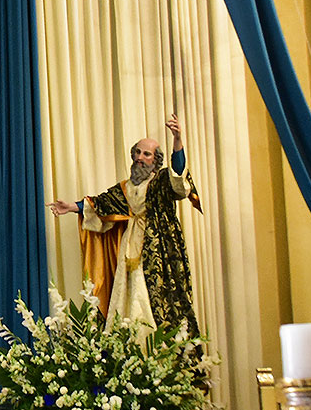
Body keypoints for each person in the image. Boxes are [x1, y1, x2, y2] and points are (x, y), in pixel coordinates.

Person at [49, 114, 201, 340]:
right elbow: (101, 204)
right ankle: (129, 344)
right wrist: (71, 207)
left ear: (156, 160)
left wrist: (177, 140)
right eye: (137, 152)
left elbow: (179, 177)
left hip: (160, 251)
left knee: (160, 298)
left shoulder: (161, 181)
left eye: (146, 154)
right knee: (129, 292)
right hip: (130, 249)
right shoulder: (125, 188)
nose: (140, 157)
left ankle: (156, 345)